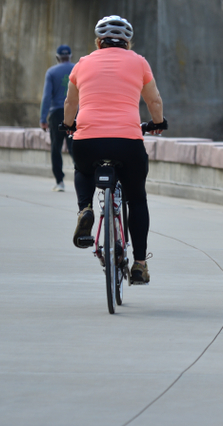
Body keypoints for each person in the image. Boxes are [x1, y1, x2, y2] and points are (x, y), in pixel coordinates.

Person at [61, 16, 166, 285]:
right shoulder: (139, 62)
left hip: (88, 140)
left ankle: (85, 209)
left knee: (82, 168)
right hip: (127, 141)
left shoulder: (82, 63)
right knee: (137, 200)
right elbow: (153, 99)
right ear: (128, 43)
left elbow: (70, 102)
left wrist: (68, 126)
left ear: (98, 42)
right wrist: (157, 123)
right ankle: (140, 264)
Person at [40, 45, 75, 192]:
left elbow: (47, 97)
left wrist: (43, 118)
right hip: (74, 113)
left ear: (57, 58)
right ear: (70, 56)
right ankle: (82, 175)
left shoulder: (51, 72)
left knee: (56, 147)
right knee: (75, 147)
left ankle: (60, 181)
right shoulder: (77, 69)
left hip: (56, 114)